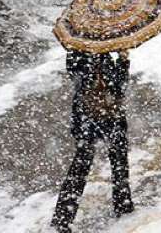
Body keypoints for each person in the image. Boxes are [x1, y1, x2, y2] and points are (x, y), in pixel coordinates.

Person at [51, 49, 134, 232]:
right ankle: (62, 219)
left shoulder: (105, 56)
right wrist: (95, 65)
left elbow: (119, 86)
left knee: (119, 160)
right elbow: (80, 81)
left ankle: (123, 205)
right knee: (81, 165)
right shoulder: (76, 54)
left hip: (111, 115)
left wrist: (122, 61)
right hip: (88, 118)